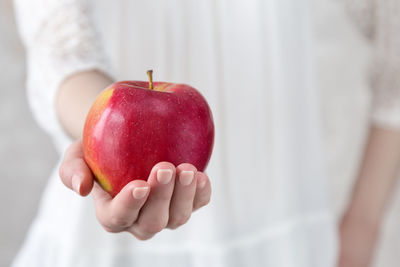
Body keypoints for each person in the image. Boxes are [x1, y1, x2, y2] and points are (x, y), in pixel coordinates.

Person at [11, 0, 400, 266]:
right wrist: (100, 135)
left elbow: (393, 45)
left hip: (287, 237)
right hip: (98, 248)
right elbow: (60, 45)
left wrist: (364, 221)